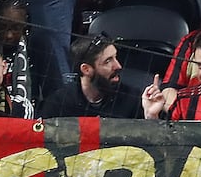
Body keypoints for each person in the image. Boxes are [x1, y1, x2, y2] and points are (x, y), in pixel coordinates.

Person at [38, 34, 166, 119]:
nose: (118, 66)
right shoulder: (58, 104)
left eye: (115, 57)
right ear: (86, 69)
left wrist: (151, 117)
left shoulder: (133, 99)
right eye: (108, 61)